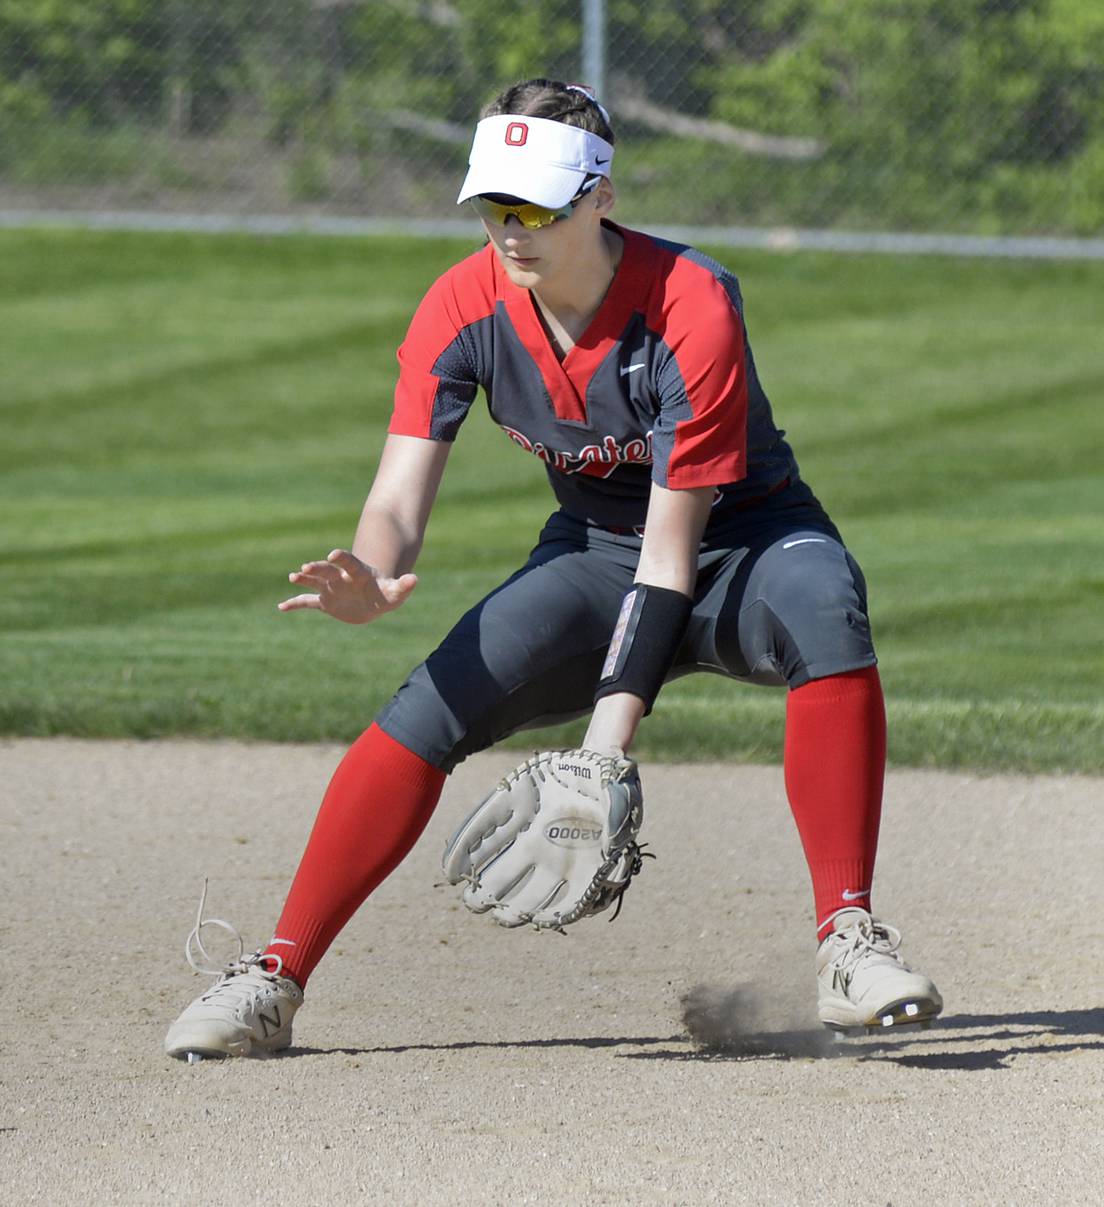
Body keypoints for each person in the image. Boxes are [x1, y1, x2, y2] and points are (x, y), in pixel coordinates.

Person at [164, 78, 942, 1060]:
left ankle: (849, 941)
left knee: (826, 600)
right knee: (428, 705)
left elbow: (673, 555)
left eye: (538, 204)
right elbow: (399, 495)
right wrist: (371, 569)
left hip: (745, 546)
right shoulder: (465, 304)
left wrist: (602, 752)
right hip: (591, 557)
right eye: (494, 202)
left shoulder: (689, 301)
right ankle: (271, 980)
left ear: (602, 196)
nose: (511, 228)